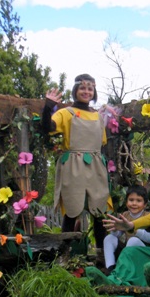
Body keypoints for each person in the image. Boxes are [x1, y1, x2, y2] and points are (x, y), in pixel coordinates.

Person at [41, 74, 110, 249]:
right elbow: (47, 127)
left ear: (93, 92)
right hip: (73, 165)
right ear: (75, 90)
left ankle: (103, 257)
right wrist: (48, 106)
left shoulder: (98, 117)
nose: (86, 91)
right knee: (72, 209)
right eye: (82, 88)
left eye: (90, 88)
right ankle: (65, 256)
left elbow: (101, 143)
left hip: (95, 166)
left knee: (99, 211)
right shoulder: (65, 113)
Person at [102, 184, 150, 275]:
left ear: (145, 204)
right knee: (109, 238)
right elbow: (117, 235)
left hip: (143, 252)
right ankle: (110, 269)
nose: (134, 203)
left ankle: (126, 269)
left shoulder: (149, 216)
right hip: (126, 251)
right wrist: (115, 229)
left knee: (133, 240)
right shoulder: (125, 215)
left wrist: (135, 230)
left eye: (138, 201)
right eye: (131, 200)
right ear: (126, 202)